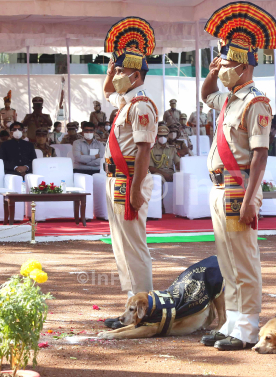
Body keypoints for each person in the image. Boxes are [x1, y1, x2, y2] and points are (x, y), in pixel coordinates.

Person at [200, 2, 276, 351]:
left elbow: (260, 154)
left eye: (230, 63)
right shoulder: (230, 98)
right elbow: (205, 96)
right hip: (220, 188)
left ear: (245, 65)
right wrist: (213, 72)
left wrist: (250, 200)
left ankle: (246, 328)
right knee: (226, 258)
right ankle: (231, 322)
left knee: (243, 260)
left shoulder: (255, 102)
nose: (225, 69)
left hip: (239, 187)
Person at [102, 16, 159, 316]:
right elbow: (107, 92)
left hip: (129, 181)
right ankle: (131, 306)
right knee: (121, 248)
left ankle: (144, 308)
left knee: (134, 248)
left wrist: (136, 189)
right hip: (117, 181)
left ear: (136, 76)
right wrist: (111, 72)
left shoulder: (141, 106)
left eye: (123, 72)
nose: (118, 76)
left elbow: (144, 149)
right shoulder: (126, 103)